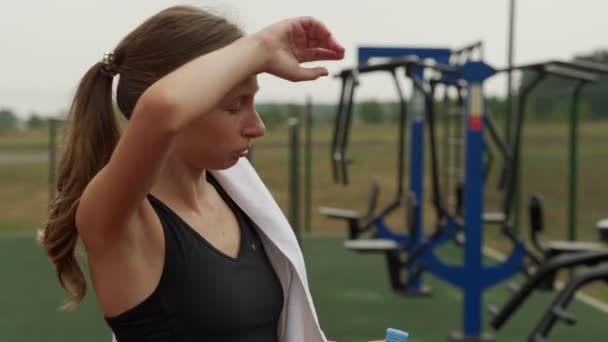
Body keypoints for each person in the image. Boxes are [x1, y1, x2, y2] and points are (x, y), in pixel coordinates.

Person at [40, 5, 344, 342]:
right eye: (233, 106)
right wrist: (260, 47)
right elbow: (162, 109)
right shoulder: (121, 222)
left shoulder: (238, 198)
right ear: (190, 103)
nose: (257, 127)